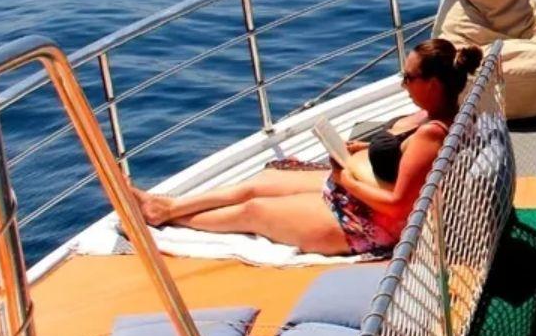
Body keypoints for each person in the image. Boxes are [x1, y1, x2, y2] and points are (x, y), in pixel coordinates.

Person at [131, 39, 483, 255]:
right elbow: (404, 160)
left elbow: (396, 206)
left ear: (434, 84)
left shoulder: (432, 134)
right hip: (357, 189)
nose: (402, 83)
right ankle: (169, 206)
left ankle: (167, 219)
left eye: (408, 78)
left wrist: (346, 181)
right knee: (261, 183)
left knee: (254, 210)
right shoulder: (430, 114)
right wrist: (363, 149)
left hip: (368, 223)